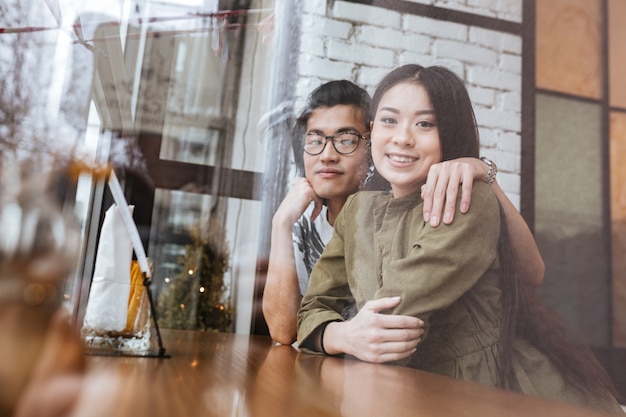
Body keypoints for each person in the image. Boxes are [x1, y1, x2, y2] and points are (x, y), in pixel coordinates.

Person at [297, 65, 623, 414]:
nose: (403, 137)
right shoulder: (358, 209)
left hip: (486, 393)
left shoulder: (467, 196)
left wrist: (343, 334)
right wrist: (341, 336)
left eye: (425, 124)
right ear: (372, 131)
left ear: (448, 134)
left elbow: (395, 315)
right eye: (389, 121)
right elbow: (311, 310)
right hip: (401, 393)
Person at [263, 80, 545, 346]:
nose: (327, 154)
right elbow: (286, 330)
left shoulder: (439, 205)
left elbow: (531, 273)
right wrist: (280, 224)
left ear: (369, 142)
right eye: (315, 141)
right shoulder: (307, 228)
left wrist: (485, 172)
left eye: (346, 140)